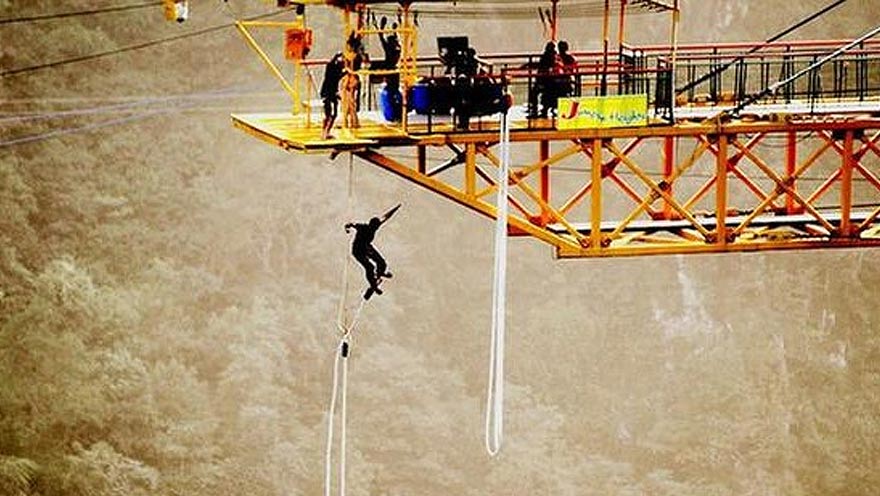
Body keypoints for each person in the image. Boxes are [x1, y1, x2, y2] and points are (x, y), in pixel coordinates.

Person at [345, 204, 401, 300]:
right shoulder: (363, 227)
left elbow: (386, 217)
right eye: (374, 227)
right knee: (369, 267)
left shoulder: (375, 226)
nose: (375, 229)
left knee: (382, 262)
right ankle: (373, 285)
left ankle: (380, 272)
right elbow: (351, 224)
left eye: (376, 227)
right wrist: (347, 227)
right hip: (357, 250)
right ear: (371, 224)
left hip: (367, 247)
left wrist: (395, 209)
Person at [320, 52, 344, 140]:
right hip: (327, 94)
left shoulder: (337, 69)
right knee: (329, 114)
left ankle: (327, 132)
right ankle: (324, 133)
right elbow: (335, 76)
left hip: (332, 93)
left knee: (333, 114)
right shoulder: (331, 68)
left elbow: (337, 79)